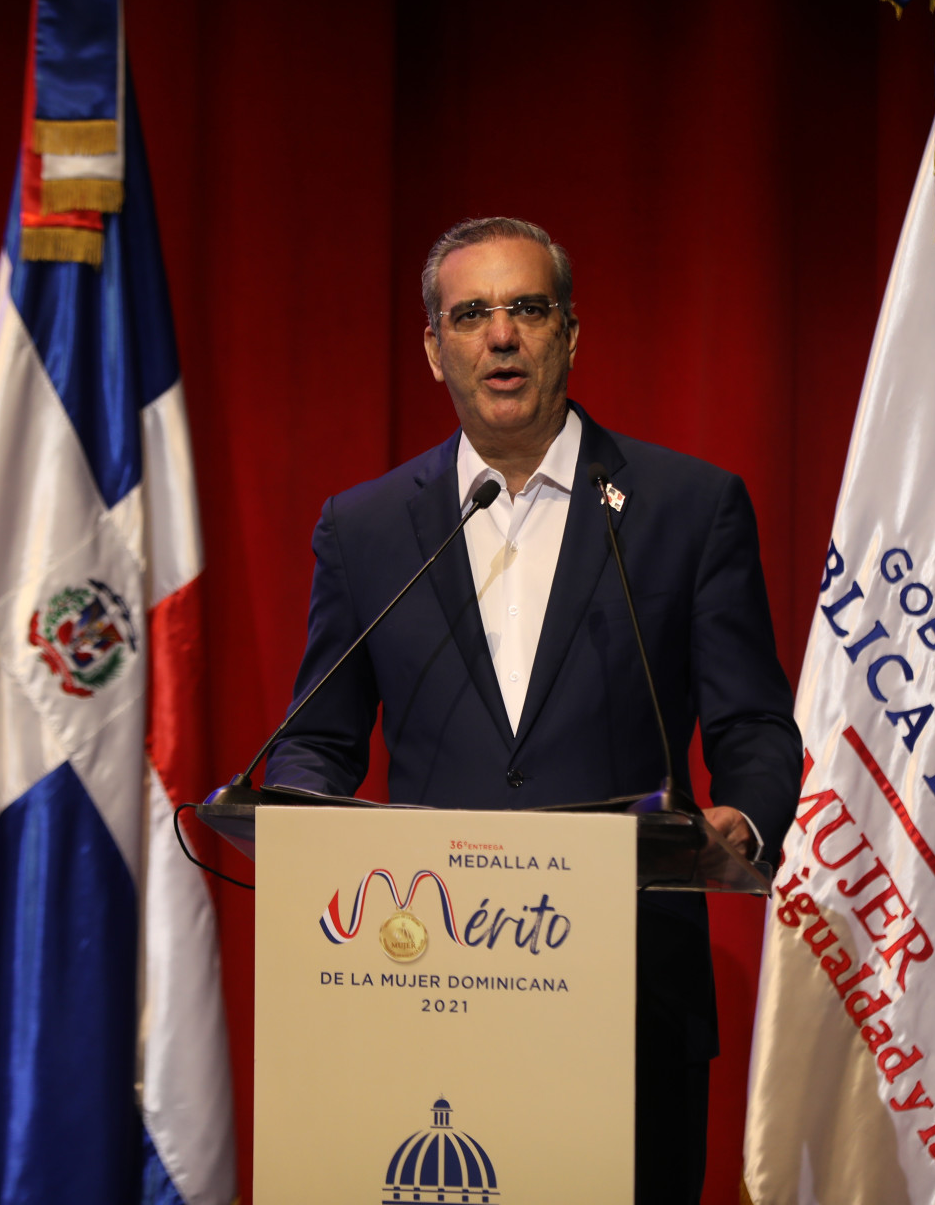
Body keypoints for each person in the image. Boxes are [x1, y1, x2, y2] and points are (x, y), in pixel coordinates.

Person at [264, 216, 802, 1204]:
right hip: (426, 987)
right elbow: (316, 739)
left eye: (527, 308)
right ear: (436, 349)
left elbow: (755, 726)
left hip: (630, 989)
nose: (501, 335)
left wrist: (746, 818)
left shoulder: (689, 507)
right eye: (471, 314)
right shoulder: (366, 527)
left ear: (570, 334)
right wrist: (300, 820)